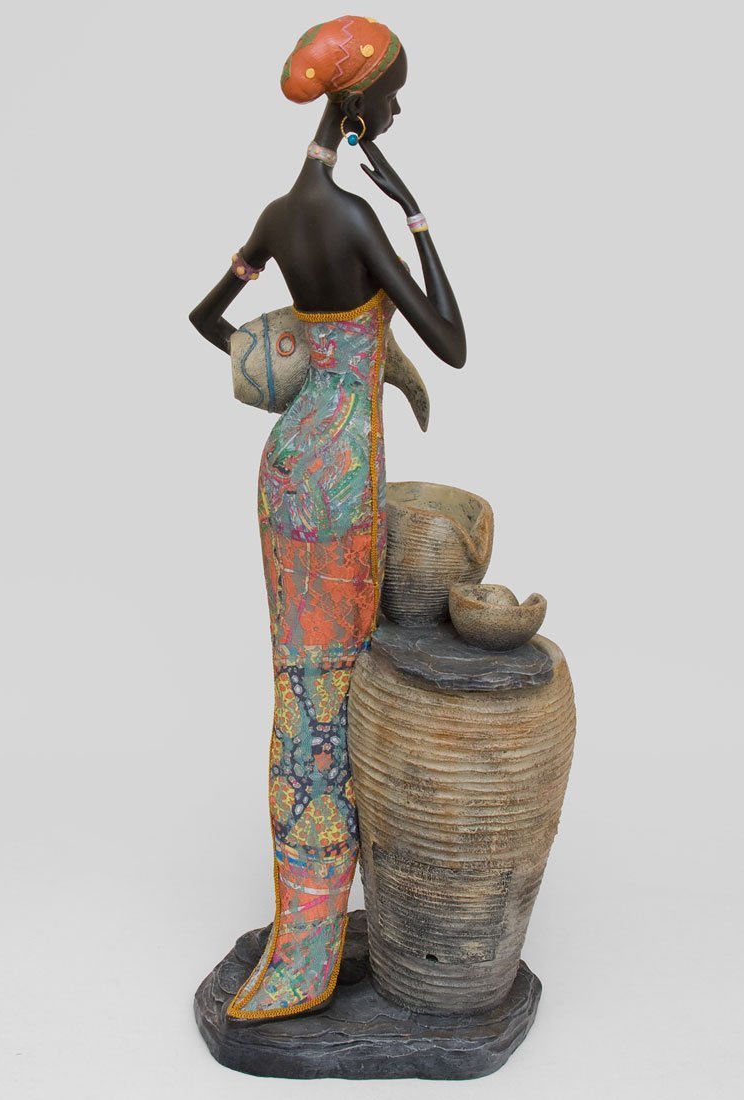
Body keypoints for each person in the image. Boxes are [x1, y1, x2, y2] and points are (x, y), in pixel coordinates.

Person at [189, 15, 466, 1022]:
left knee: (304, 690)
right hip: (339, 485)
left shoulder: (279, 215)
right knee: (325, 704)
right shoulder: (354, 220)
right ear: (359, 107)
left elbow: (207, 320)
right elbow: (452, 338)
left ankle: (308, 928)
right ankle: (305, 950)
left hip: (287, 470)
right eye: (392, 95)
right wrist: (417, 216)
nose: (397, 110)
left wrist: (311, 363)